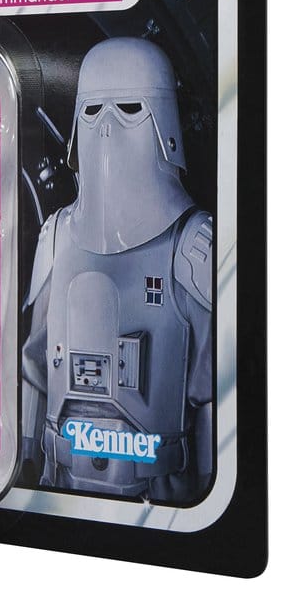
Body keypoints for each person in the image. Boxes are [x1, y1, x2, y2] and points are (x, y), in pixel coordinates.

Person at [22, 38, 212, 503]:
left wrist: (208, 483)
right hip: (60, 483)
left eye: (129, 109)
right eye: (93, 111)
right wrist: (25, 457)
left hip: (159, 495)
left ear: (164, 122)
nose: (106, 127)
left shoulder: (193, 244)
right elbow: (35, 369)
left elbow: (214, 393)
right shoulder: (56, 237)